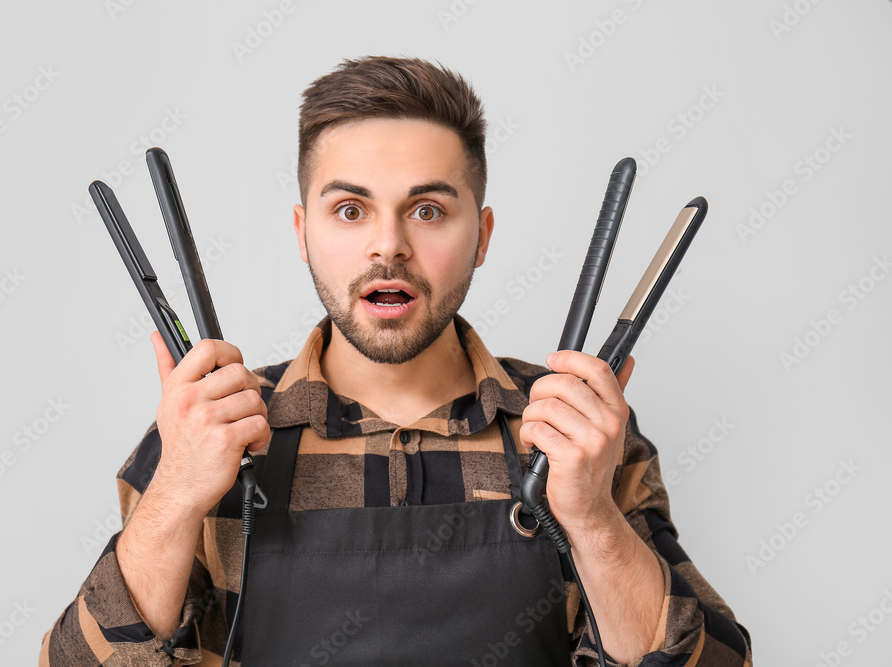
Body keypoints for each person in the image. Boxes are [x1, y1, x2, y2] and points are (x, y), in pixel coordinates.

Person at [39, 56, 752, 666]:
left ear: (482, 233)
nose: (389, 246)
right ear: (303, 232)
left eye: (429, 210)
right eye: (350, 210)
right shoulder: (209, 423)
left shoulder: (577, 429)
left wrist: (592, 518)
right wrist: (173, 500)